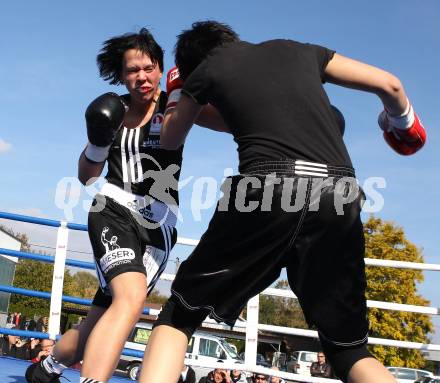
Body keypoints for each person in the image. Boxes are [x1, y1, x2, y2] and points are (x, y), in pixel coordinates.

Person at [139, 20, 426, 383]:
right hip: (339, 194)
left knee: (179, 316)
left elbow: (169, 138)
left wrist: (178, 92)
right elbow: (391, 84)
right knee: (349, 349)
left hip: (266, 188)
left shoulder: (206, 69)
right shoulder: (299, 50)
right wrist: (401, 122)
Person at [25, 28, 182, 383]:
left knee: (105, 316)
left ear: (160, 68)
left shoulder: (176, 104)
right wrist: (97, 142)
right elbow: (85, 176)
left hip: (160, 226)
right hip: (114, 209)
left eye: (148, 67)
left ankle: (47, 368)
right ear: (122, 74)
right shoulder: (113, 109)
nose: (141, 76)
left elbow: (224, 119)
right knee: (131, 298)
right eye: (132, 70)